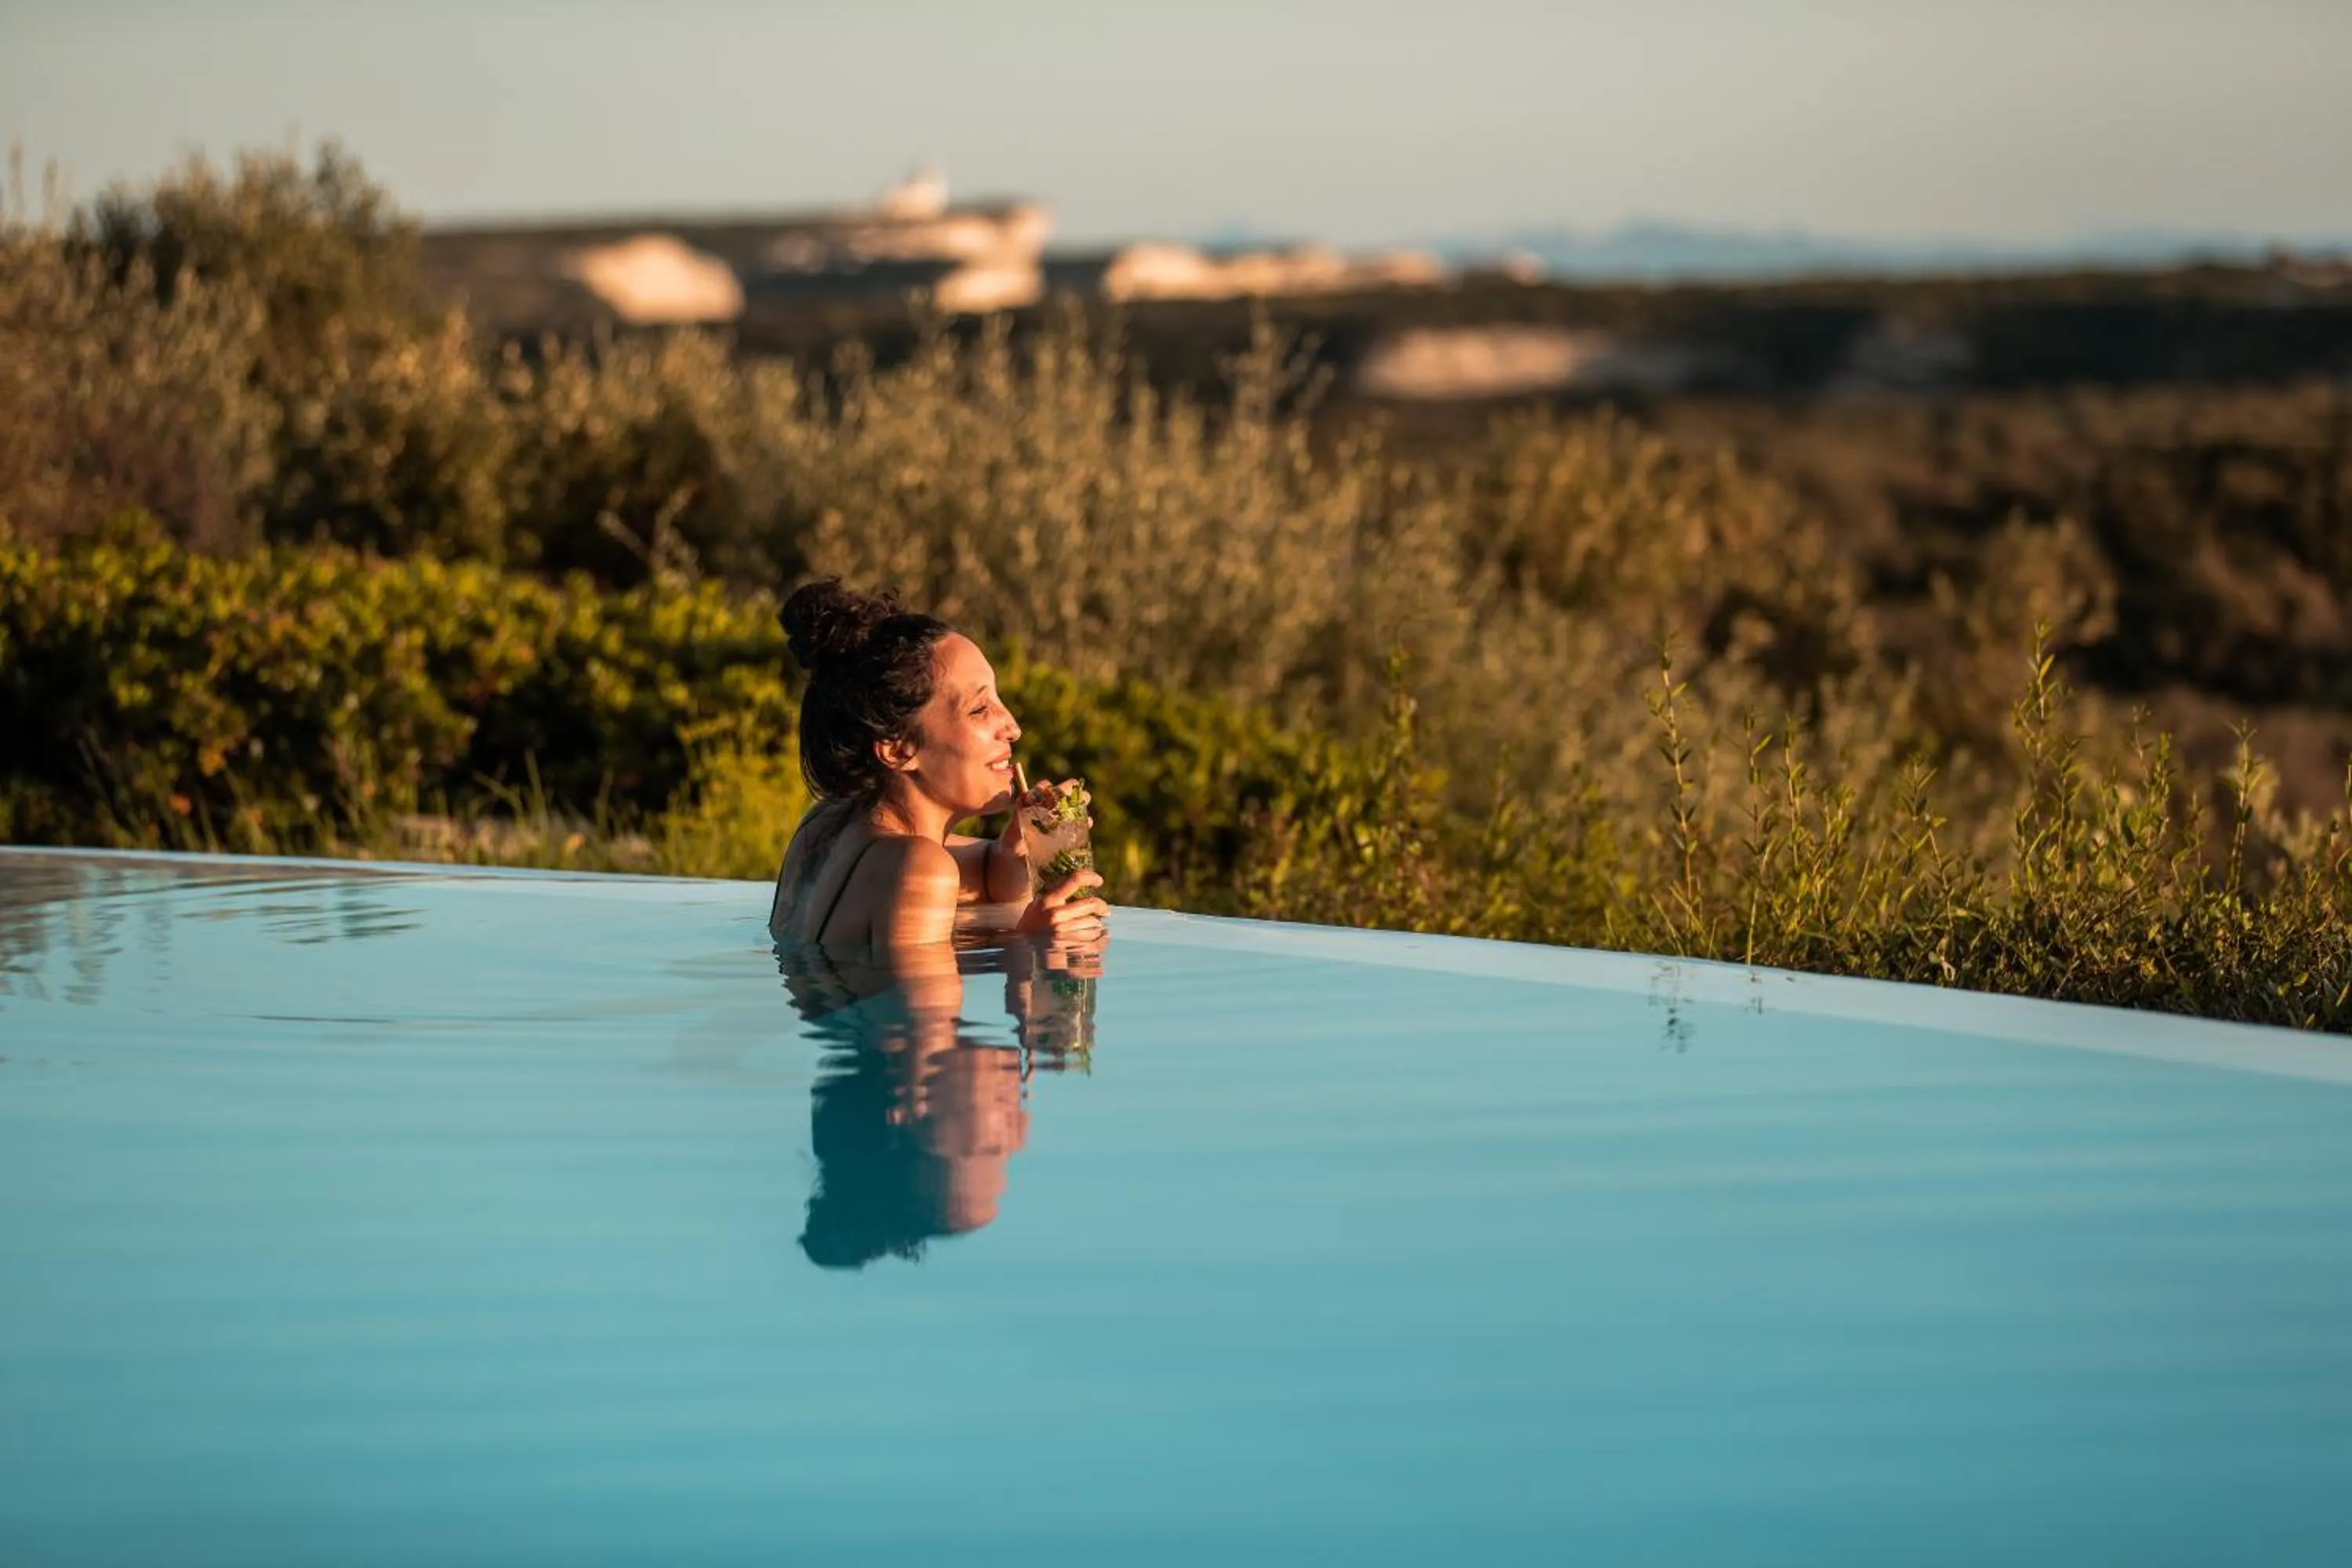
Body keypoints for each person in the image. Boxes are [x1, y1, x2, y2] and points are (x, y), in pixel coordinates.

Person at [766, 579, 1109, 951]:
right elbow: (910, 995)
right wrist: (1032, 948)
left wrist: (1011, 853)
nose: (1013, 727)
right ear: (898, 749)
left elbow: (975, 875)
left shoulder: (827, 823)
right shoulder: (923, 870)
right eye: (980, 709)